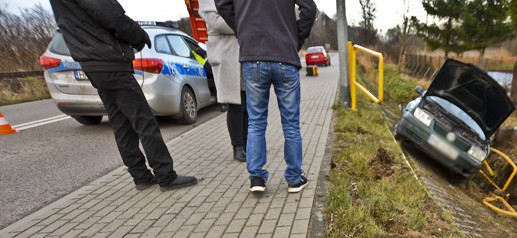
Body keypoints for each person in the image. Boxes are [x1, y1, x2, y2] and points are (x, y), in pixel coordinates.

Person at [48, 0, 197, 191]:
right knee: (144, 121)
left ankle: (141, 177)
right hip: (110, 61)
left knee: (121, 124)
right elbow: (110, 15)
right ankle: (166, 175)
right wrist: (138, 35)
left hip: (92, 64)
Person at [215, 0, 317, 194]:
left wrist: (242, 29)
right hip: (285, 56)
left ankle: (257, 178)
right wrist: (295, 39)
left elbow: (221, 4)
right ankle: (295, 178)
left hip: (252, 56)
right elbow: (309, 8)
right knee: (291, 123)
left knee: (256, 122)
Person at [198, 0, 249, 162]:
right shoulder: (206, 2)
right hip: (226, 53)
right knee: (235, 105)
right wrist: (246, 21)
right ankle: (238, 147)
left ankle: (248, 144)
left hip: (242, 53)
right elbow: (218, 23)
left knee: (247, 104)